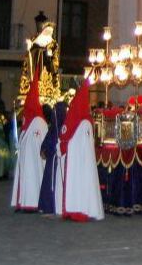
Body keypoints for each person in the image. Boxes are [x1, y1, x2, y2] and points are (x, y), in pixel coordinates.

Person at [55, 85, 104, 221]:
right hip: (74, 162)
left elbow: (83, 145)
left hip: (82, 163)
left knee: (81, 186)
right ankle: (72, 209)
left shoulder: (85, 123)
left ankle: (82, 209)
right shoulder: (77, 122)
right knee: (73, 186)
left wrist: (66, 146)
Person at [11, 84, 47, 212]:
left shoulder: (39, 122)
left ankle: (32, 203)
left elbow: (40, 140)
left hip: (34, 159)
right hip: (25, 158)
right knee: (25, 178)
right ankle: (23, 201)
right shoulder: (28, 120)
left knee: (33, 178)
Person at [38, 102, 66, 215]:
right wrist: (44, 150)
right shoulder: (54, 128)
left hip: (58, 161)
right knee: (49, 184)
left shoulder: (63, 128)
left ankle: (54, 206)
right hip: (52, 161)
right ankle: (48, 205)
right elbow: (47, 142)